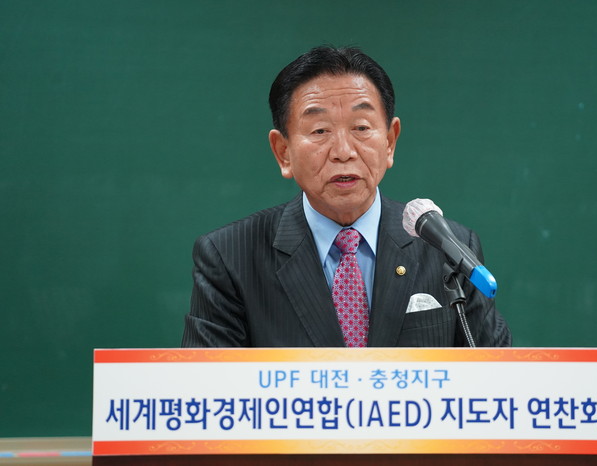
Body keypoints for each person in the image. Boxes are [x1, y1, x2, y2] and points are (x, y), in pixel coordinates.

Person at [182, 46, 511, 348]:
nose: (343, 151)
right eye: (320, 131)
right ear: (283, 152)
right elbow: (204, 386)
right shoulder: (230, 257)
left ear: (390, 142)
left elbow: (499, 379)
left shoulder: (448, 249)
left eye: (361, 128)